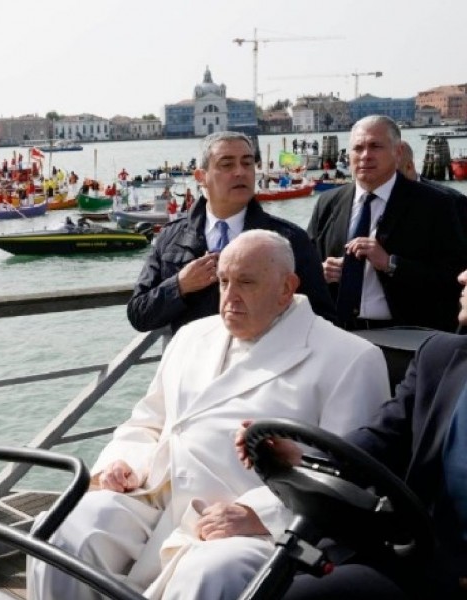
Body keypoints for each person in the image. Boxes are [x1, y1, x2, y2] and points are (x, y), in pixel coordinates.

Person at [27, 230, 389, 600]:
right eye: (223, 282)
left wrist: (256, 514)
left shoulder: (349, 358)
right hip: (158, 498)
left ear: (286, 288)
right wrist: (123, 463)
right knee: (63, 529)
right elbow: (149, 420)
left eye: (246, 283)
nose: (229, 298)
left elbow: (348, 475)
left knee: (211, 573)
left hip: (257, 526)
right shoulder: (191, 336)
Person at [236, 267, 467, 599]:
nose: (461, 277)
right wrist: (302, 458)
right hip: (420, 561)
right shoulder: (440, 358)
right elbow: (377, 442)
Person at [127, 131, 335, 334]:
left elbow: (321, 318)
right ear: (201, 176)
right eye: (227, 165)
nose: (240, 172)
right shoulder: (172, 236)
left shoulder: (289, 239)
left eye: (247, 163)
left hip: (263, 364)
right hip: (194, 364)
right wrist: (180, 285)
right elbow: (139, 314)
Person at [307, 115, 467, 332]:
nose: (365, 156)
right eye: (358, 148)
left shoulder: (436, 204)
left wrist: (391, 264)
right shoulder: (328, 203)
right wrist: (320, 273)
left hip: (409, 336)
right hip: (340, 333)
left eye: (375, 146)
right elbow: (304, 268)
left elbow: (454, 279)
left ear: (398, 152)